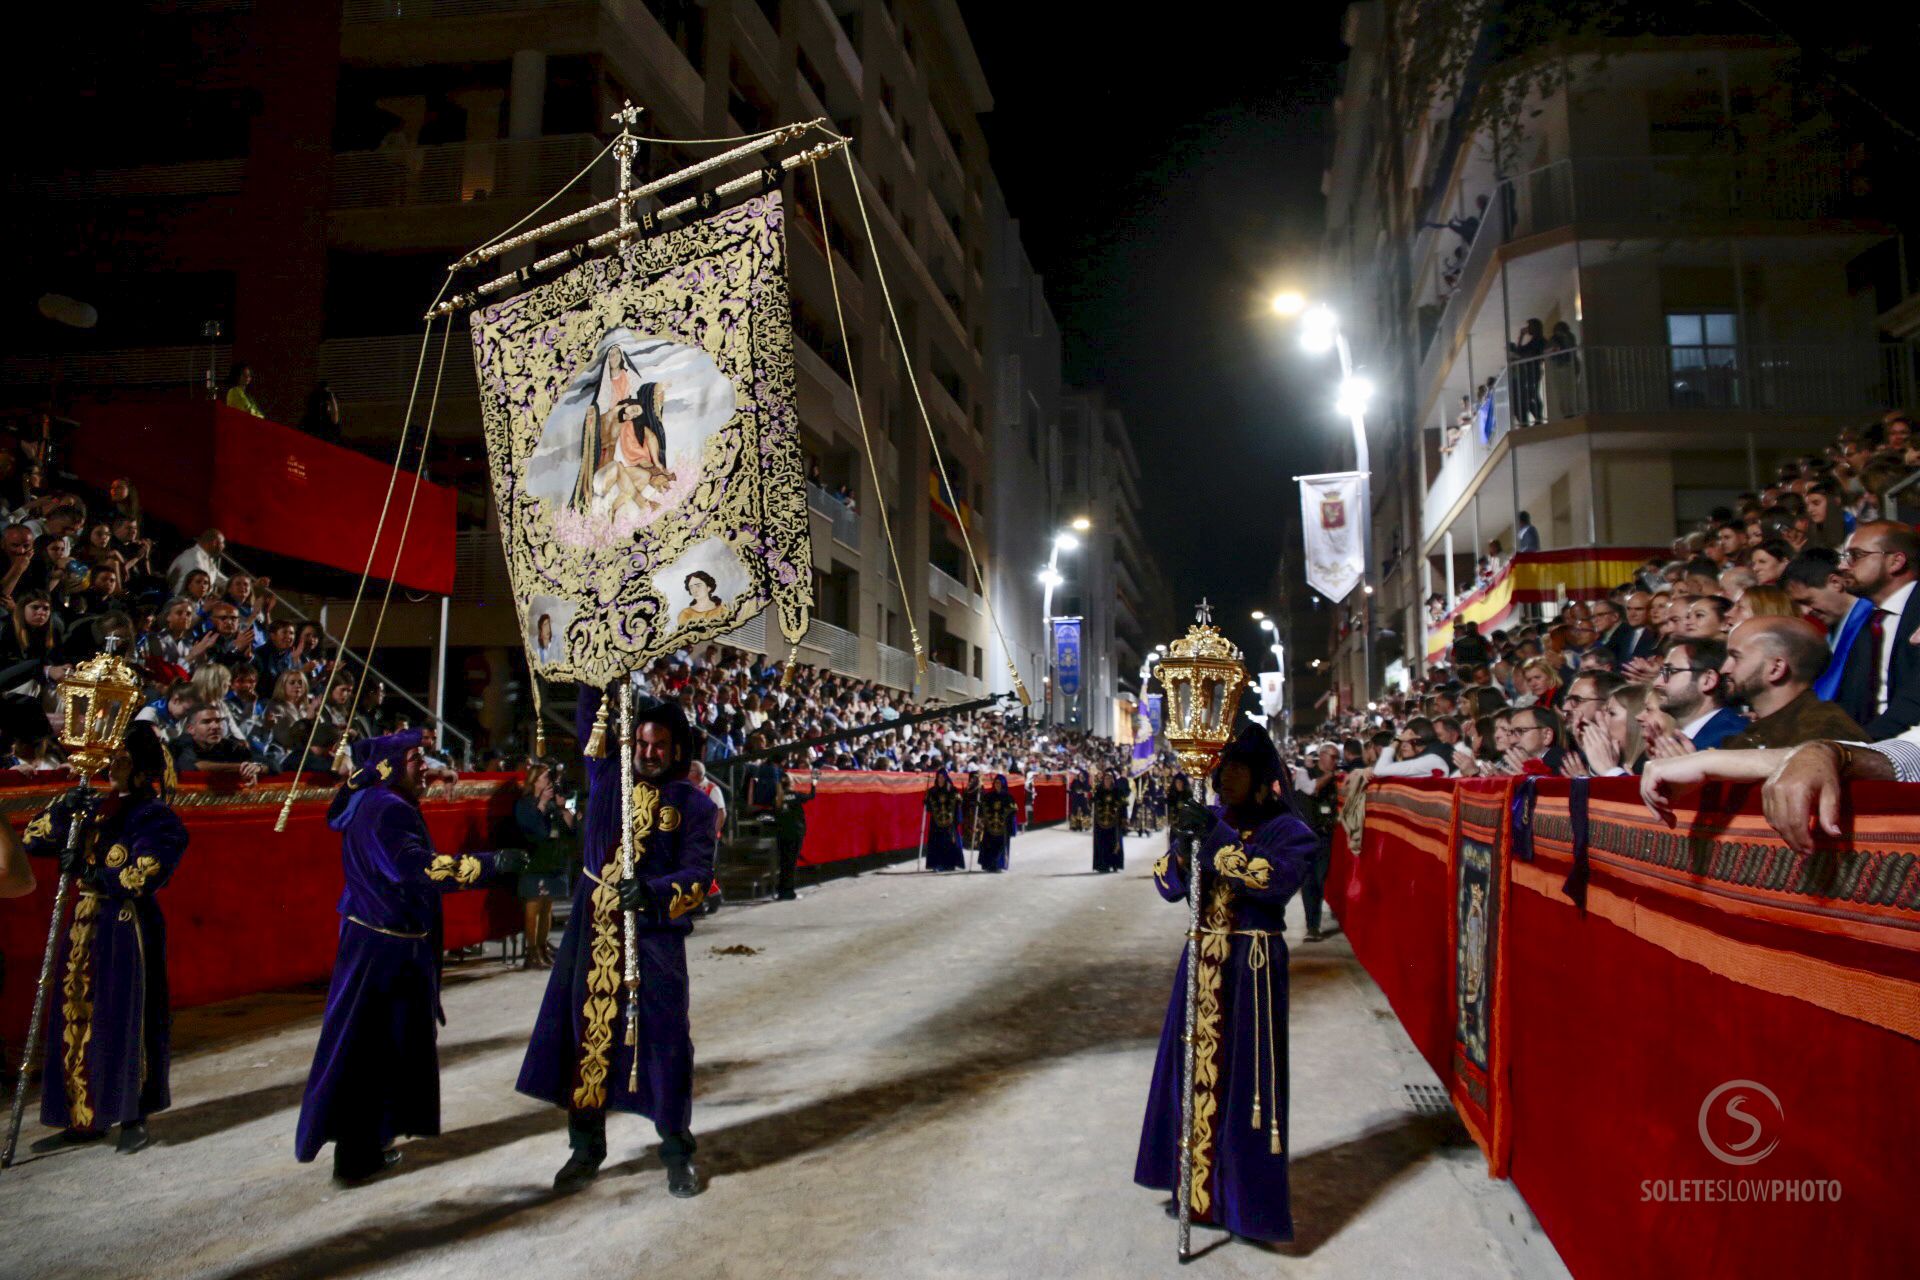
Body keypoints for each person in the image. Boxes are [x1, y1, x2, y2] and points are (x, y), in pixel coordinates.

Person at [294, 730, 526, 1182]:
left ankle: (367, 1147)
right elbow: (418, 869)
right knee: (369, 1051)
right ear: (390, 766)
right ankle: (357, 1157)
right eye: (417, 757)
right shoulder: (385, 809)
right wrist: (492, 864)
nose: (426, 765)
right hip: (382, 953)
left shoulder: (372, 799)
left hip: (382, 945)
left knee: (378, 1050)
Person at [518, 685, 717, 1198]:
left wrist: (651, 892)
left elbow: (698, 873)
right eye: (643, 744)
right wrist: (604, 661)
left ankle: (676, 1152)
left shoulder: (693, 805)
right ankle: (585, 1150)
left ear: (676, 750)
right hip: (592, 933)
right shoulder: (607, 775)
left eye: (660, 746)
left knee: (666, 1043)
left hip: (654, 941)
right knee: (584, 1039)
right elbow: (592, 716)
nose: (649, 754)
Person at [1135, 726, 1317, 1244]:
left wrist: (1214, 843)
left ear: (1262, 777)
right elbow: (1168, 887)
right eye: (1222, 766)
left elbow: (1274, 880)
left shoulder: (1289, 830)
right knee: (1190, 1074)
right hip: (1200, 961)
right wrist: (1181, 843)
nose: (1226, 776)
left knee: (1247, 1084)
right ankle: (1192, 1191)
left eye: (1238, 767)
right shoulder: (1206, 818)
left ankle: (1247, 1207)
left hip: (1251, 969)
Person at [22, 722, 188, 1155]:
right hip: (83, 924)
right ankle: (82, 1116)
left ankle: (133, 1113)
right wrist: (63, 812)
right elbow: (33, 838)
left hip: (125, 925)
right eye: (110, 758)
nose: (111, 766)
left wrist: (93, 872)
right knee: (74, 1017)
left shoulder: (155, 816)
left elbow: (142, 873)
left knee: (127, 1015)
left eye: (122, 759)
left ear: (139, 767)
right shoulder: (90, 804)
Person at [1720, 617, 1866, 749]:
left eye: (1736, 657)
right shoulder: (1759, 730)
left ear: (1776, 669)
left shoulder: (1823, 733)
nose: (1724, 669)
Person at [1837, 522, 1920, 738]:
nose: (1844, 566)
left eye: (1856, 555)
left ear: (1896, 561)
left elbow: (1914, 704)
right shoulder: (1871, 622)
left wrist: (1859, 748)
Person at [514, 763, 576, 969]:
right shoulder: (524, 804)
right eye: (544, 778)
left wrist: (564, 807)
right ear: (534, 781)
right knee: (534, 905)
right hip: (533, 860)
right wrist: (541, 804)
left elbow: (569, 827)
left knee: (547, 906)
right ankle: (531, 952)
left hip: (553, 859)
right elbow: (532, 829)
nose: (548, 782)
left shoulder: (551, 803)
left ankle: (541, 947)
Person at [1649, 638, 1747, 750]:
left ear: (1707, 680)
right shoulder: (1676, 742)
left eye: (1669, 671)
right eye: (1661, 672)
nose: (1657, 683)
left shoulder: (1734, 739)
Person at [772, 767, 817, 899]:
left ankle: (781, 891)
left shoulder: (777, 798)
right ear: (791, 783)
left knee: (783, 863)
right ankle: (789, 892)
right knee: (791, 864)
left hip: (782, 833)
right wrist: (814, 782)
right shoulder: (796, 796)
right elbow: (811, 796)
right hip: (795, 833)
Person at [922, 768, 965, 871]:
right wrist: (925, 800)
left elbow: (959, 801)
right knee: (937, 843)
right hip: (936, 822)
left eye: (942, 777)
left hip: (949, 822)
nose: (940, 779)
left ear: (946, 778)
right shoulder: (932, 791)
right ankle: (937, 864)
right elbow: (928, 807)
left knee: (949, 843)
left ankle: (950, 864)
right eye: (939, 777)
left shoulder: (952, 789)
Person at [974, 774, 1019, 873]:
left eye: (999, 783)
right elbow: (983, 808)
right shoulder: (989, 796)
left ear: (1003, 784)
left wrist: (1011, 827)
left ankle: (998, 864)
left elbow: (1013, 812)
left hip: (1002, 828)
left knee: (1000, 846)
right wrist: (979, 803)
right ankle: (989, 865)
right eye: (996, 782)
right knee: (989, 845)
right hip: (990, 826)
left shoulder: (1008, 797)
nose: (997, 784)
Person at [165, 529, 227, 597]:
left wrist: (235, 584)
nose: (224, 546)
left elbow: (219, 579)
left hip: (193, 601)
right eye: (223, 543)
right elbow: (196, 589)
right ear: (215, 543)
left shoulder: (205, 558)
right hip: (182, 603)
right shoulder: (194, 558)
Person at [1091, 768, 1126, 872]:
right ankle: (1103, 865)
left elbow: (1123, 805)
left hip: (1115, 823)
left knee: (1115, 843)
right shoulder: (1098, 791)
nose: (1107, 780)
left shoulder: (1118, 791)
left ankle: (1115, 864)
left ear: (1113, 780)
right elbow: (1093, 802)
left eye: (1110, 778)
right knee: (1102, 844)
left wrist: (1124, 818)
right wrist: (1091, 798)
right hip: (1100, 823)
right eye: (1106, 778)